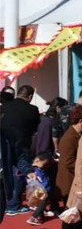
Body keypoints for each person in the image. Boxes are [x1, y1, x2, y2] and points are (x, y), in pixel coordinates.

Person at [1, 85, 41, 215]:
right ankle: (13, 204)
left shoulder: (5, 107)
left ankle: (11, 204)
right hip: (22, 144)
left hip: (8, 146)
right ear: (30, 96)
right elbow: (34, 129)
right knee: (18, 175)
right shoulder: (32, 109)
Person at [53, 88, 82, 152]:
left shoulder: (63, 109)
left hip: (63, 145)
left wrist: (56, 148)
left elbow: (55, 131)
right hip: (79, 147)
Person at [26, 152, 56, 225]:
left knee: (38, 203)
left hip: (36, 189)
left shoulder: (32, 170)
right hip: (43, 190)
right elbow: (45, 182)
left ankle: (40, 215)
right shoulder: (40, 171)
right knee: (42, 203)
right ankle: (34, 217)